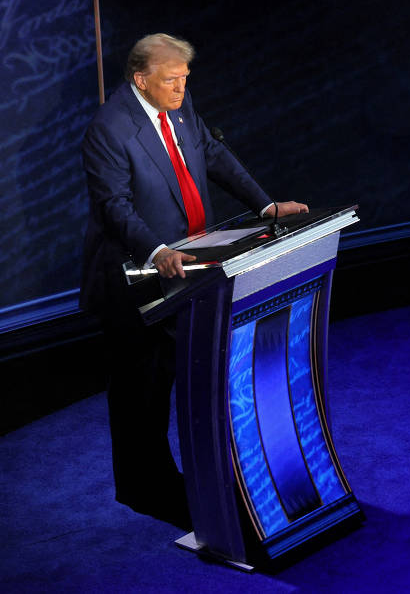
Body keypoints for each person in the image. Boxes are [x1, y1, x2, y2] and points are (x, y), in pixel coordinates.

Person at [81, 33, 308, 530]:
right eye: (171, 80)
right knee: (142, 389)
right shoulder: (110, 128)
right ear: (141, 80)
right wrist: (157, 250)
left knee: (182, 374)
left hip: (191, 274)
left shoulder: (180, 106)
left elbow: (213, 154)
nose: (181, 89)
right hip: (135, 281)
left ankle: (187, 481)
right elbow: (113, 206)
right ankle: (145, 488)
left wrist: (265, 205)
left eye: (185, 79)